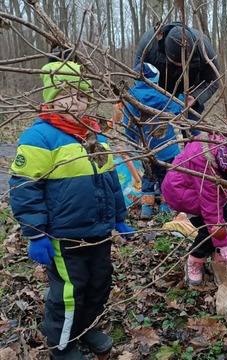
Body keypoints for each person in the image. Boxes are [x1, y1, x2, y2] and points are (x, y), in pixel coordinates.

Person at [9, 61, 134, 359]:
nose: (74, 101)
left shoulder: (94, 135)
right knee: (69, 292)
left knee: (99, 284)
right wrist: (36, 234)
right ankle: (61, 345)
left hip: (99, 231)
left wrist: (119, 218)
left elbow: (110, 180)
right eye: (65, 94)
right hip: (65, 236)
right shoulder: (39, 138)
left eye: (80, 95)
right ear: (50, 98)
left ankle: (84, 328)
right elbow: (24, 189)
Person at [161, 130, 227, 286]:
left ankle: (218, 255)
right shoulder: (207, 169)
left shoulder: (223, 152)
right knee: (208, 230)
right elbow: (211, 212)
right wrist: (225, 247)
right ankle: (195, 259)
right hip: (185, 195)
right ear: (226, 163)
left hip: (210, 193)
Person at [123, 62, 184, 219]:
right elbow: (176, 110)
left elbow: (127, 124)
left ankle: (147, 208)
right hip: (166, 148)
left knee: (148, 176)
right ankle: (165, 207)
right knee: (166, 177)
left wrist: (133, 143)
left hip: (144, 148)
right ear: (155, 79)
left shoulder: (130, 98)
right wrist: (182, 98)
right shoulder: (160, 96)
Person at [135, 22, 220, 133]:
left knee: (192, 134)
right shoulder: (149, 44)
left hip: (190, 96)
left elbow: (213, 81)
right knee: (156, 135)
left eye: (184, 63)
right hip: (158, 95)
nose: (180, 66)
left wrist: (195, 97)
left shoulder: (203, 47)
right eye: (175, 63)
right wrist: (155, 101)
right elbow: (139, 80)